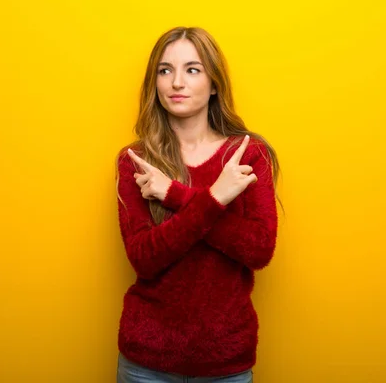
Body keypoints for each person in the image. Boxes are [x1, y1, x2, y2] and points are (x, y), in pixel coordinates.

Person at [115, 26, 280, 383]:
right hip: (146, 363)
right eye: (165, 70)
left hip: (226, 363)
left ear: (215, 83)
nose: (176, 82)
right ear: (154, 83)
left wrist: (177, 196)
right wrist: (215, 199)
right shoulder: (136, 161)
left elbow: (259, 250)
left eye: (192, 69)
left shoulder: (247, 155)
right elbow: (144, 258)